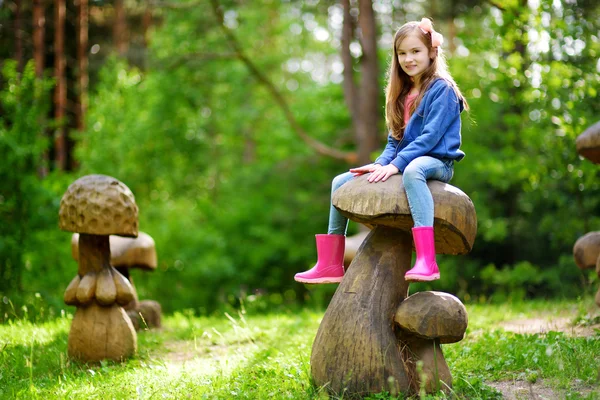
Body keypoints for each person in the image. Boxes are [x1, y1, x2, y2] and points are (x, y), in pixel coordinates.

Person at [294, 18, 469, 284]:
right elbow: (394, 140)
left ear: (432, 52)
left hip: (437, 161)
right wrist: (380, 164)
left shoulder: (442, 90)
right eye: (402, 53)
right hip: (404, 161)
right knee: (341, 181)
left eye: (415, 51)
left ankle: (426, 260)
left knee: (413, 170)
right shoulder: (402, 93)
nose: (408, 59)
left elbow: (430, 138)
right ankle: (330, 263)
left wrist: (395, 165)